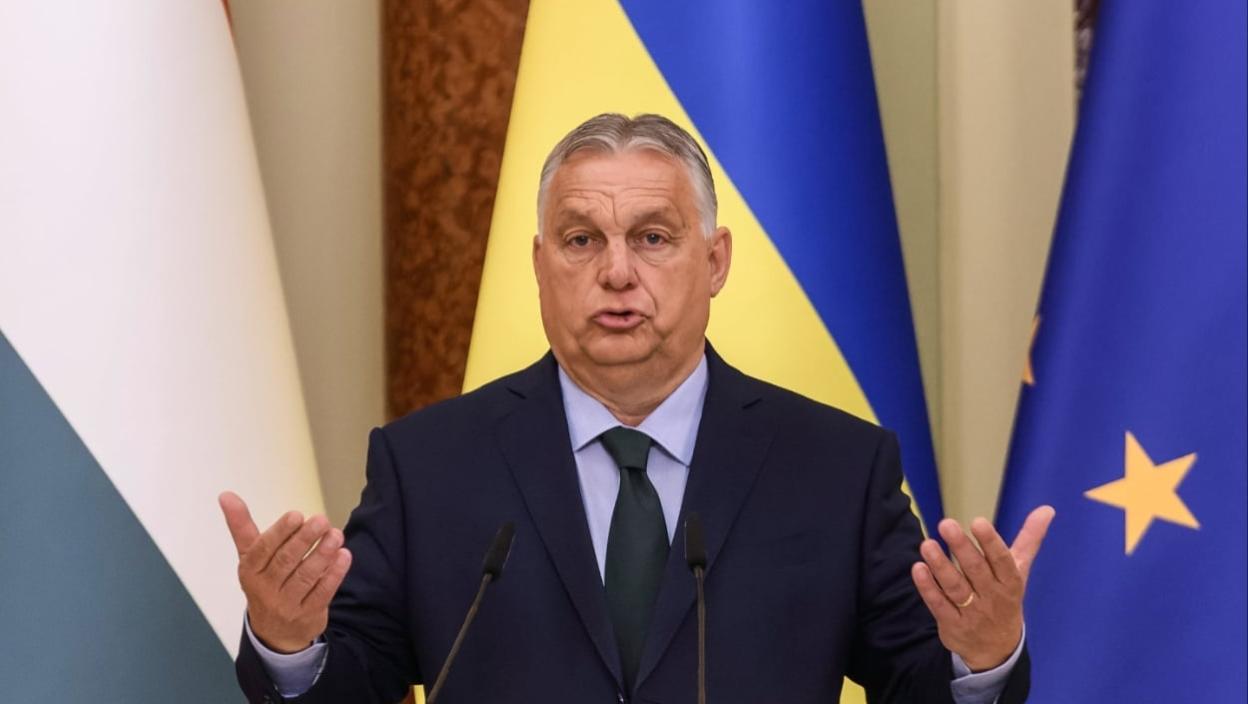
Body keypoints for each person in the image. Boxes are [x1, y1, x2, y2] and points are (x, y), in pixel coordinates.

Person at [221, 113, 1053, 703]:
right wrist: (289, 644)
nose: (616, 273)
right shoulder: (429, 466)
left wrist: (981, 659)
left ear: (715, 261)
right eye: (582, 240)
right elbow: (356, 684)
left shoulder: (837, 468)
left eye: (653, 238)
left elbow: (916, 684)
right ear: (540, 265)